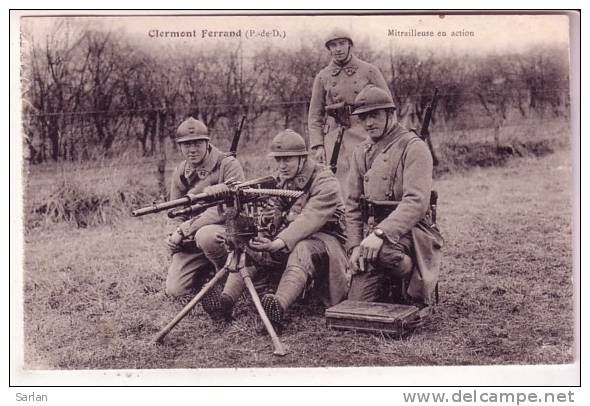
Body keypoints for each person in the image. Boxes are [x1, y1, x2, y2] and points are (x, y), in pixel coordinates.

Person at [202, 129, 350, 330]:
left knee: (302, 249)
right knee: (251, 246)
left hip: (326, 242)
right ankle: (225, 303)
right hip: (288, 238)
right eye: (278, 160)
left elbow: (309, 219)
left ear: (302, 158)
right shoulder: (281, 179)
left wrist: (278, 242)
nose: (282, 165)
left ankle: (277, 308)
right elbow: (273, 211)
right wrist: (262, 237)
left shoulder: (325, 181)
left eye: (287, 159)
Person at [345, 85, 444, 306]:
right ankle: (385, 281)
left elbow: (416, 203)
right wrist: (353, 247)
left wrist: (380, 234)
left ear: (391, 114)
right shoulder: (361, 152)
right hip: (373, 233)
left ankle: (408, 279)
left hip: (411, 232)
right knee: (356, 304)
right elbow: (352, 204)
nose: (369, 123)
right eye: (363, 118)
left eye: (375, 115)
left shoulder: (414, 148)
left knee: (384, 252)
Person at [165, 117, 245, 300]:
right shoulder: (180, 173)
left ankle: (229, 277)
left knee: (207, 235)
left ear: (207, 143)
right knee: (175, 291)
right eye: (186, 145)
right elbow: (175, 211)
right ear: (179, 147)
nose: (192, 150)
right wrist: (173, 236)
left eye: (197, 144)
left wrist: (184, 229)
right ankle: (207, 270)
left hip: (226, 231)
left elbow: (228, 207)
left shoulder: (228, 164)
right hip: (192, 239)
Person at [308, 28, 391, 188]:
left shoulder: (369, 71)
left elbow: (388, 106)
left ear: (350, 45)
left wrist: (387, 135)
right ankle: (344, 212)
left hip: (364, 131)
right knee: (338, 181)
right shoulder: (323, 76)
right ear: (329, 49)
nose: (338, 49)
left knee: (369, 176)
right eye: (333, 45)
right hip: (334, 136)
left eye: (342, 43)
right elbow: (314, 115)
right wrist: (318, 145)